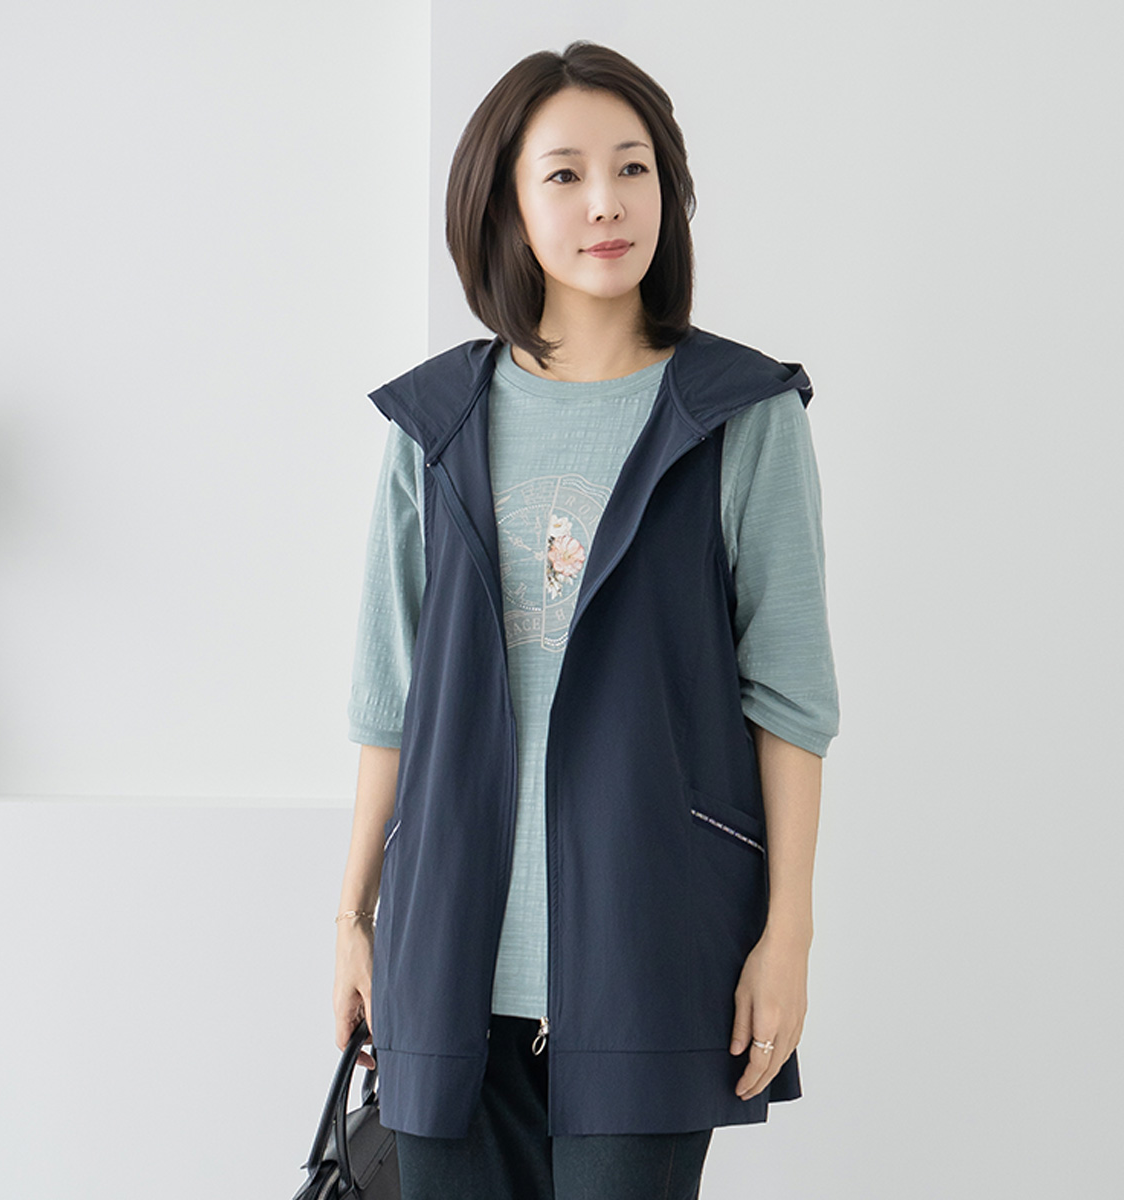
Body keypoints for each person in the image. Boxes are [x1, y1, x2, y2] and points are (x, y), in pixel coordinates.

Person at [332, 39, 839, 1199]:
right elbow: (387, 700)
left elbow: (792, 701)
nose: (606, 201)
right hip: (443, 960)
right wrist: (352, 917)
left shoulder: (739, 414)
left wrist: (788, 934)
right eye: (564, 174)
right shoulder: (435, 425)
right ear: (505, 203)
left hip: (656, 954)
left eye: (634, 167)